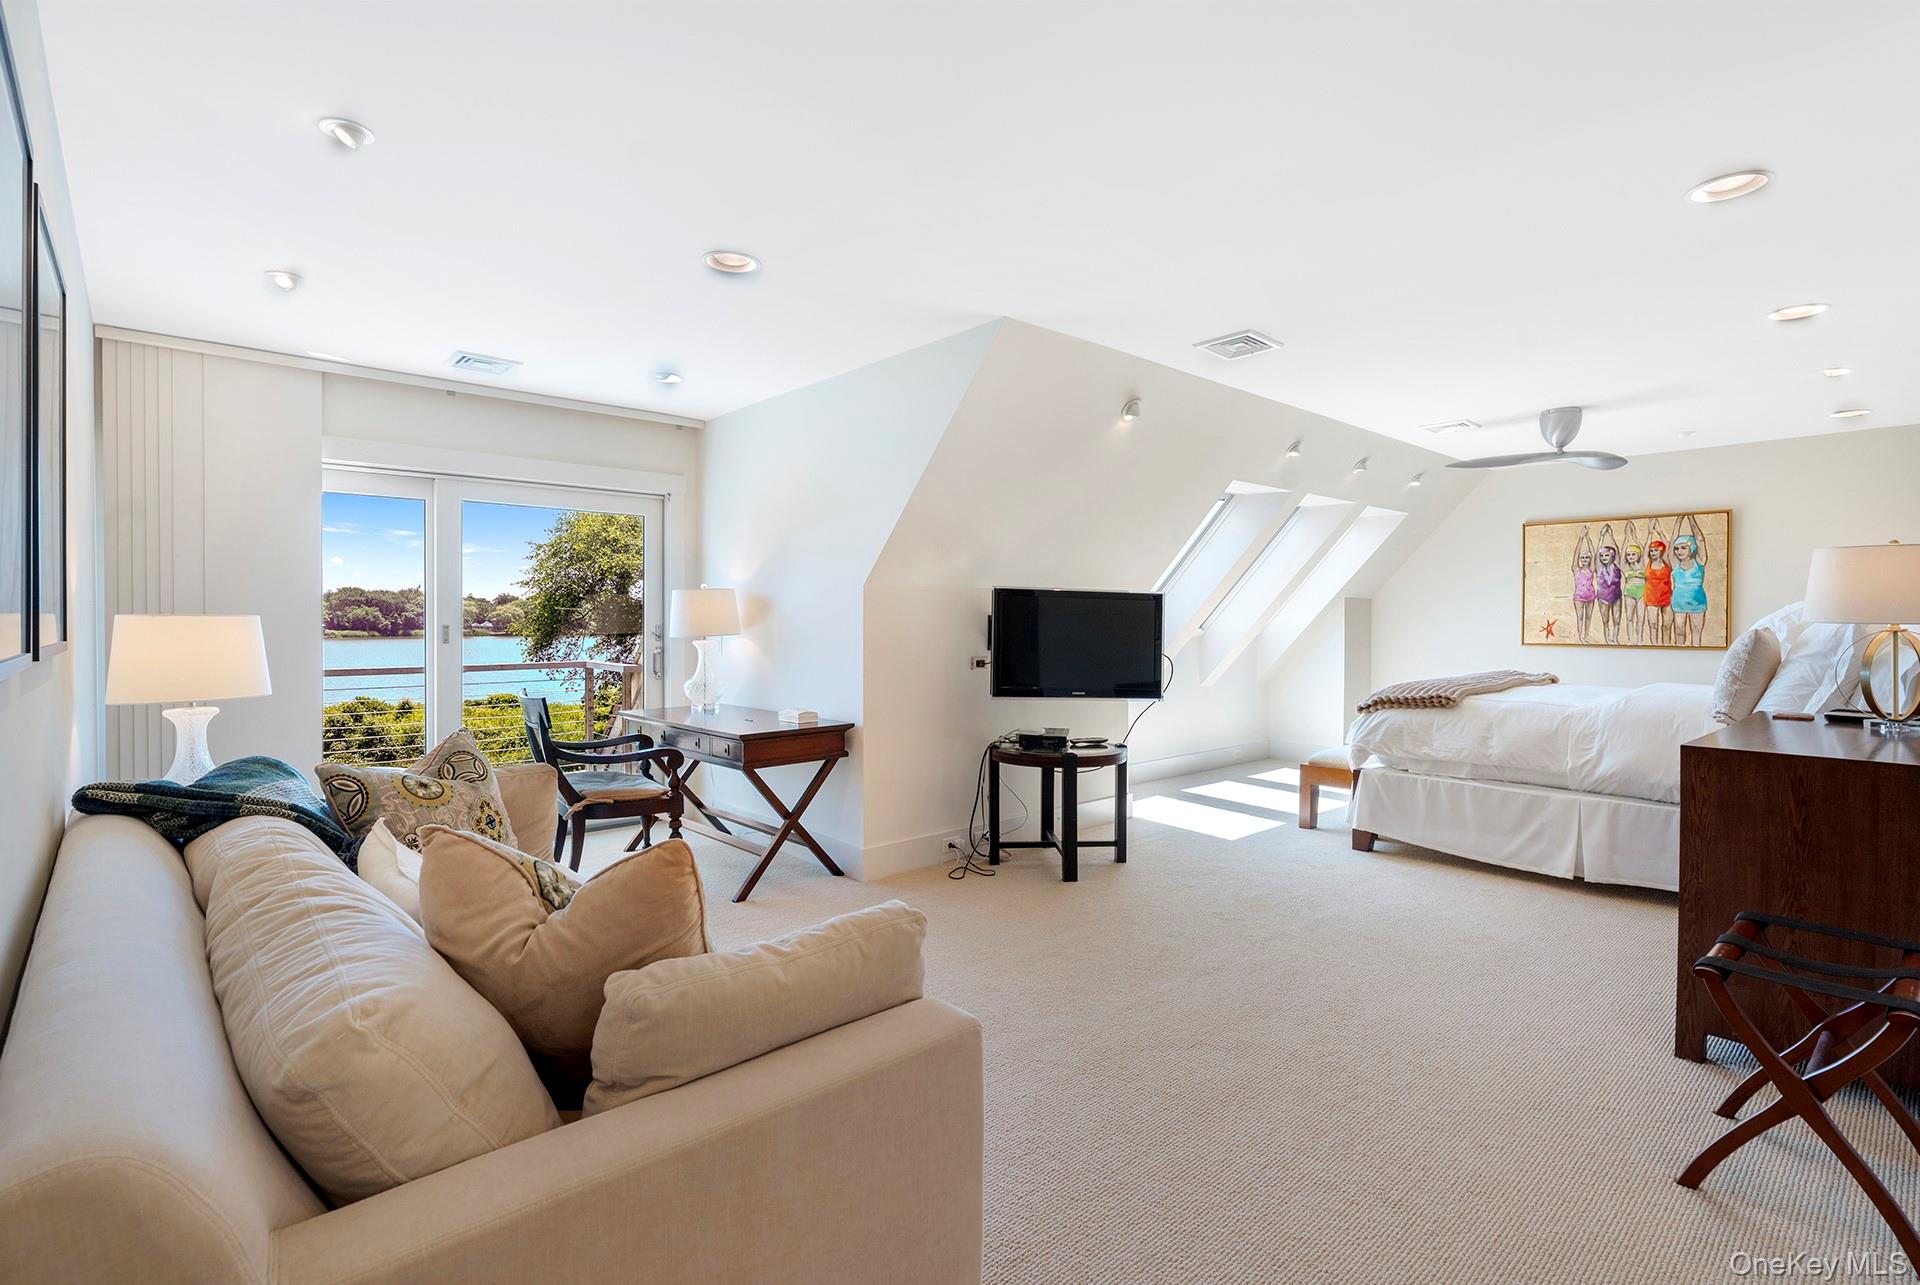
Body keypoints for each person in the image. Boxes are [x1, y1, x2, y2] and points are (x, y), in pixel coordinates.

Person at [1670, 513, 1711, 646]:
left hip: (1697, 602)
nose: (1679, 551)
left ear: (1691, 547)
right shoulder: (1675, 563)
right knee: (1679, 632)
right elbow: (1671, 543)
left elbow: (1699, 539)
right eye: (1677, 548)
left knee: (1696, 634)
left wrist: (1691, 518)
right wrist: (1677, 522)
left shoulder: (1699, 561)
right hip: (1679, 601)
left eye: (1683, 547)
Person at [1644, 519, 1674, 645]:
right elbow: (1645, 548)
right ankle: (1654, 646)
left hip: (1666, 597)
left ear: (1661, 551)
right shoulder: (1647, 563)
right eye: (1651, 550)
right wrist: (1650, 532)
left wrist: (1660, 531)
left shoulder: (1667, 562)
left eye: (1656, 550)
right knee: (1653, 624)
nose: (1653, 553)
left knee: (1667, 626)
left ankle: (1666, 646)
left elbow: (1669, 547)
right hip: (1651, 597)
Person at [1594, 523, 1623, 644]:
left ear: (1612, 556)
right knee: (1605, 620)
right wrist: (1601, 537)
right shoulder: (1599, 567)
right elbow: (1596, 555)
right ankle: (1607, 639)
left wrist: (1611, 536)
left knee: (1616, 620)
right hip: (1603, 597)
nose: (1604, 557)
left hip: (1616, 596)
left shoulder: (1617, 565)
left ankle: (1615, 638)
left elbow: (1618, 553)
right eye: (1602, 555)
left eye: (1607, 555)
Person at [1620, 521, 1647, 645]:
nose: (1630, 556)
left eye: (1633, 554)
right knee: (1629, 617)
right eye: (1628, 555)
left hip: (1642, 591)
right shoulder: (1625, 566)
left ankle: (1640, 639)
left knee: (1640, 617)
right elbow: (1621, 554)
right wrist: (1626, 536)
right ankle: (1631, 639)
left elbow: (1643, 550)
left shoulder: (1643, 565)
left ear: (1638, 555)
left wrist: (1634, 536)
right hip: (1629, 592)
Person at [1570, 525, 1597, 643]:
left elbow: (1594, 555)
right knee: (1580, 617)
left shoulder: (1591, 569)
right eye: (1583, 558)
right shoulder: (1576, 569)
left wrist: (1589, 538)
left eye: (1587, 557)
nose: (1585, 559)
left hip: (1590, 595)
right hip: (1579, 597)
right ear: (1580, 559)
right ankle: (1580, 637)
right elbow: (1575, 555)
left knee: (1589, 617)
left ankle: (1586, 636)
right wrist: (1581, 539)